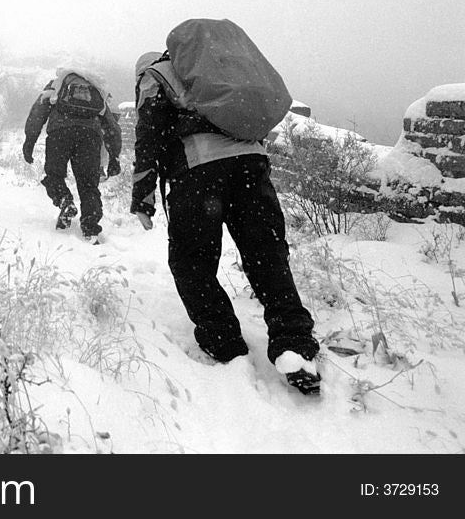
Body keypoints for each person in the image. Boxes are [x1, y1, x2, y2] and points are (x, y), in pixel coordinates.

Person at [130, 50, 322, 394]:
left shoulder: (155, 76)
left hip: (200, 172)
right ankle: (295, 345)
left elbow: (148, 137)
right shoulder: (214, 73)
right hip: (251, 164)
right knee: (267, 258)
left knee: (192, 262)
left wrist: (142, 197)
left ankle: (225, 344)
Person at [23, 68, 122, 243]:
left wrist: (30, 140)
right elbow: (111, 125)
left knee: (54, 176)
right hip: (90, 137)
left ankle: (64, 201)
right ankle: (90, 228)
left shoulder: (57, 85)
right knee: (89, 184)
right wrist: (114, 156)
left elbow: (38, 112)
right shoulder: (95, 90)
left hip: (59, 134)